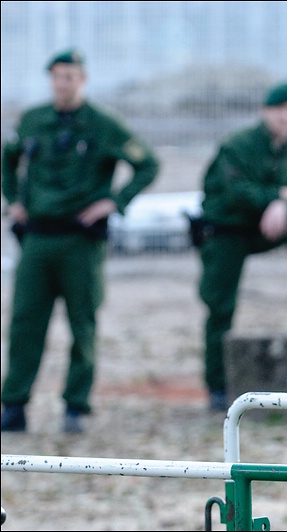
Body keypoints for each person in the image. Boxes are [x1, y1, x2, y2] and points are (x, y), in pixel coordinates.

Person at [0, 48, 160, 433]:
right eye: (57, 76)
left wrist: (114, 202)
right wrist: (13, 201)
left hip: (80, 241)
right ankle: (14, 404)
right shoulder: (34, 119)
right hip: (37, 238)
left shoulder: (103, 123)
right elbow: (9, 157)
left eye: (69, 76)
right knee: (24, 323)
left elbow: (147, 163)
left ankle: (75, 406)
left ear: (82, 79)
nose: (62, 83)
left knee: (82, 324)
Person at [197, 82, 287, 412]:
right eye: (280, 110)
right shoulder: (238, 145)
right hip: (224, 230)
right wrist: (278, 197)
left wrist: (282, 202)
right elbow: (236, 191)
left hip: (261, 226)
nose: (286, 117)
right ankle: (217, 386)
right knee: (220, 308)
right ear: (264, 112)